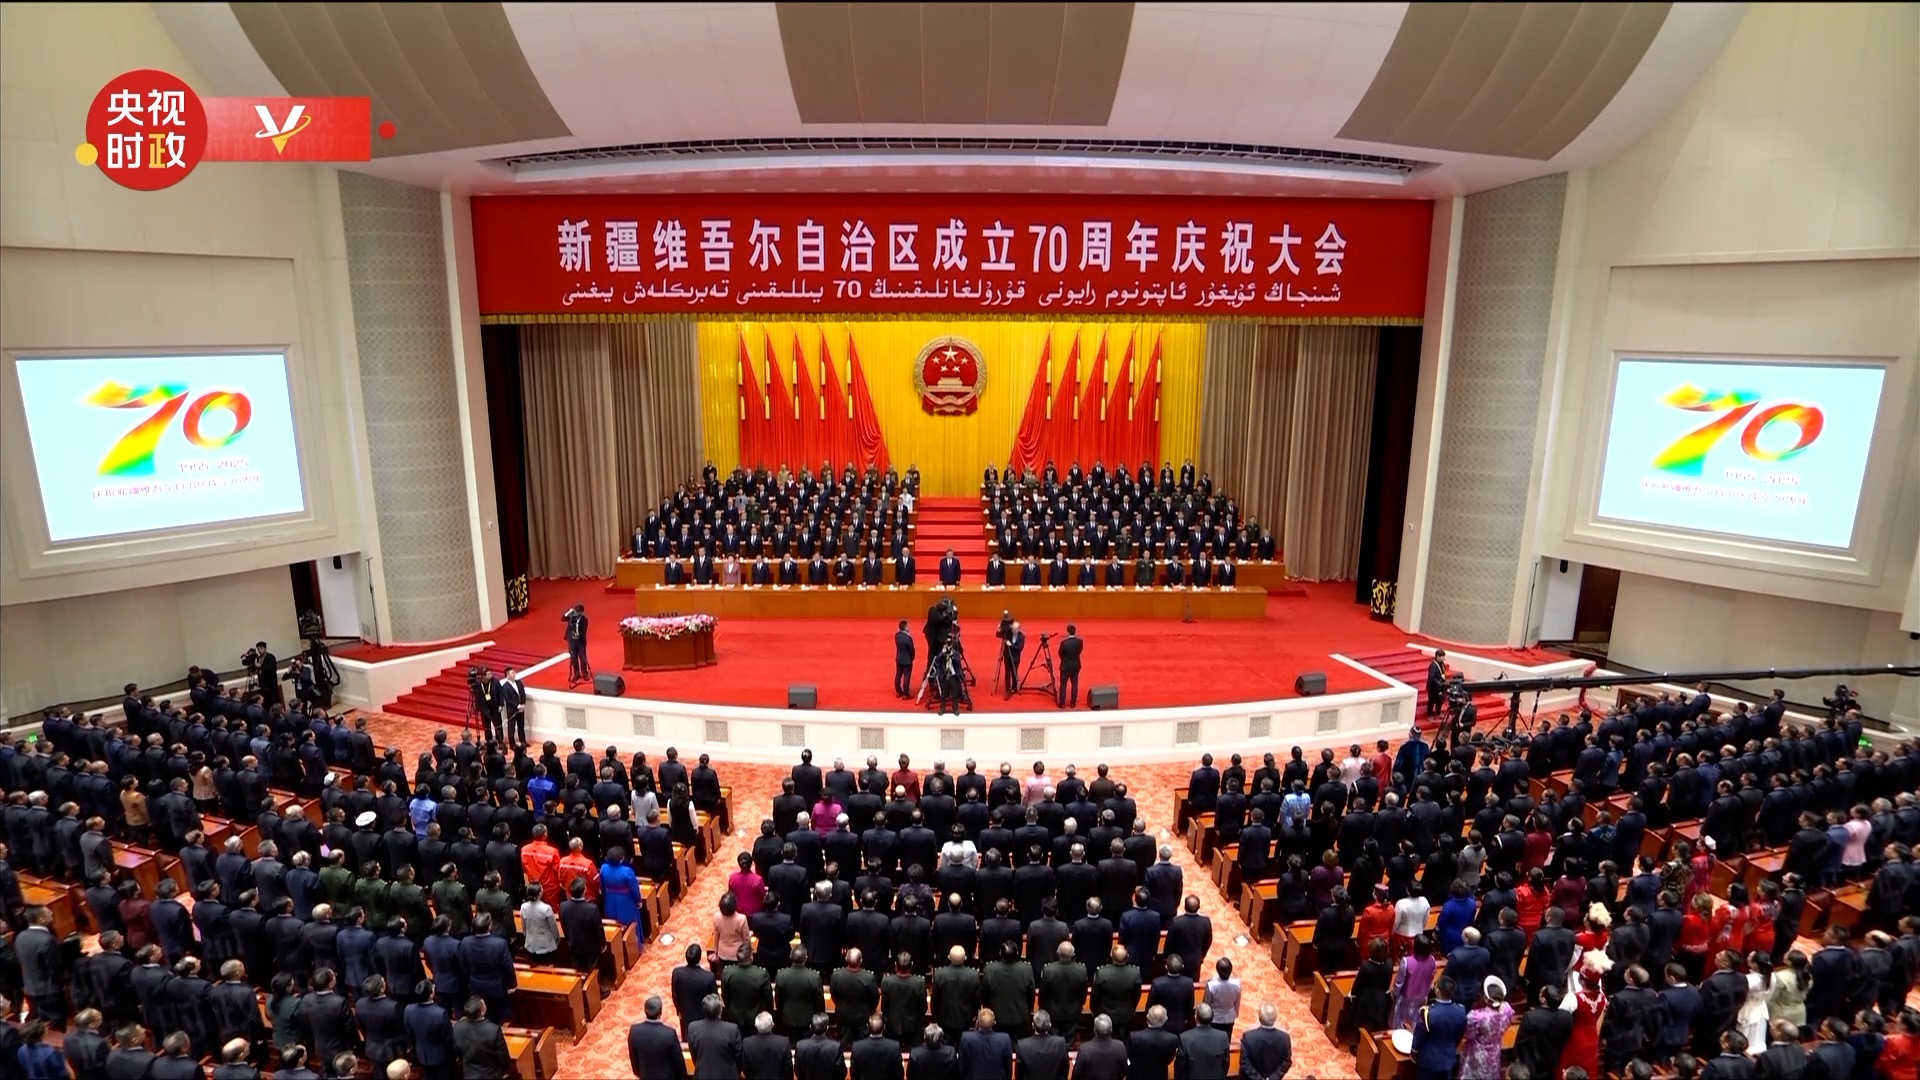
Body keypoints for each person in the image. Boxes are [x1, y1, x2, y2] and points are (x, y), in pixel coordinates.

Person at [1411, 975, 1468, 1080]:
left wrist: (1414, 1051)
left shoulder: (1428, 1013)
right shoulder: (1461, 1011)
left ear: (1437, 991)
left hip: (1428, 1060)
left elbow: (1419, 1036)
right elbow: (1459, 1034)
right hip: (1449, 1058)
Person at [452, 997, 513, 1080]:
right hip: (491, 1074)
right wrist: (507, 1070)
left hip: (470, 1074)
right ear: (482, 1012)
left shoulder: (458, 1027)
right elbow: (502, 1055)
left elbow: (457, 1050)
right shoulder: (493, 1030)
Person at [562, 604, 590, 686]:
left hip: (580, 641)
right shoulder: (571, 616)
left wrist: (578, 635)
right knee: (573, 658)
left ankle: (584, 673)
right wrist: (568, 613)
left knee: (582, 658)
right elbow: (562, 618)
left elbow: (584, 632)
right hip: (572, 641)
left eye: (578, 612)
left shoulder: (584, 620)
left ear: (581, 612)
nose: (576, 614)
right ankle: (577, 673)